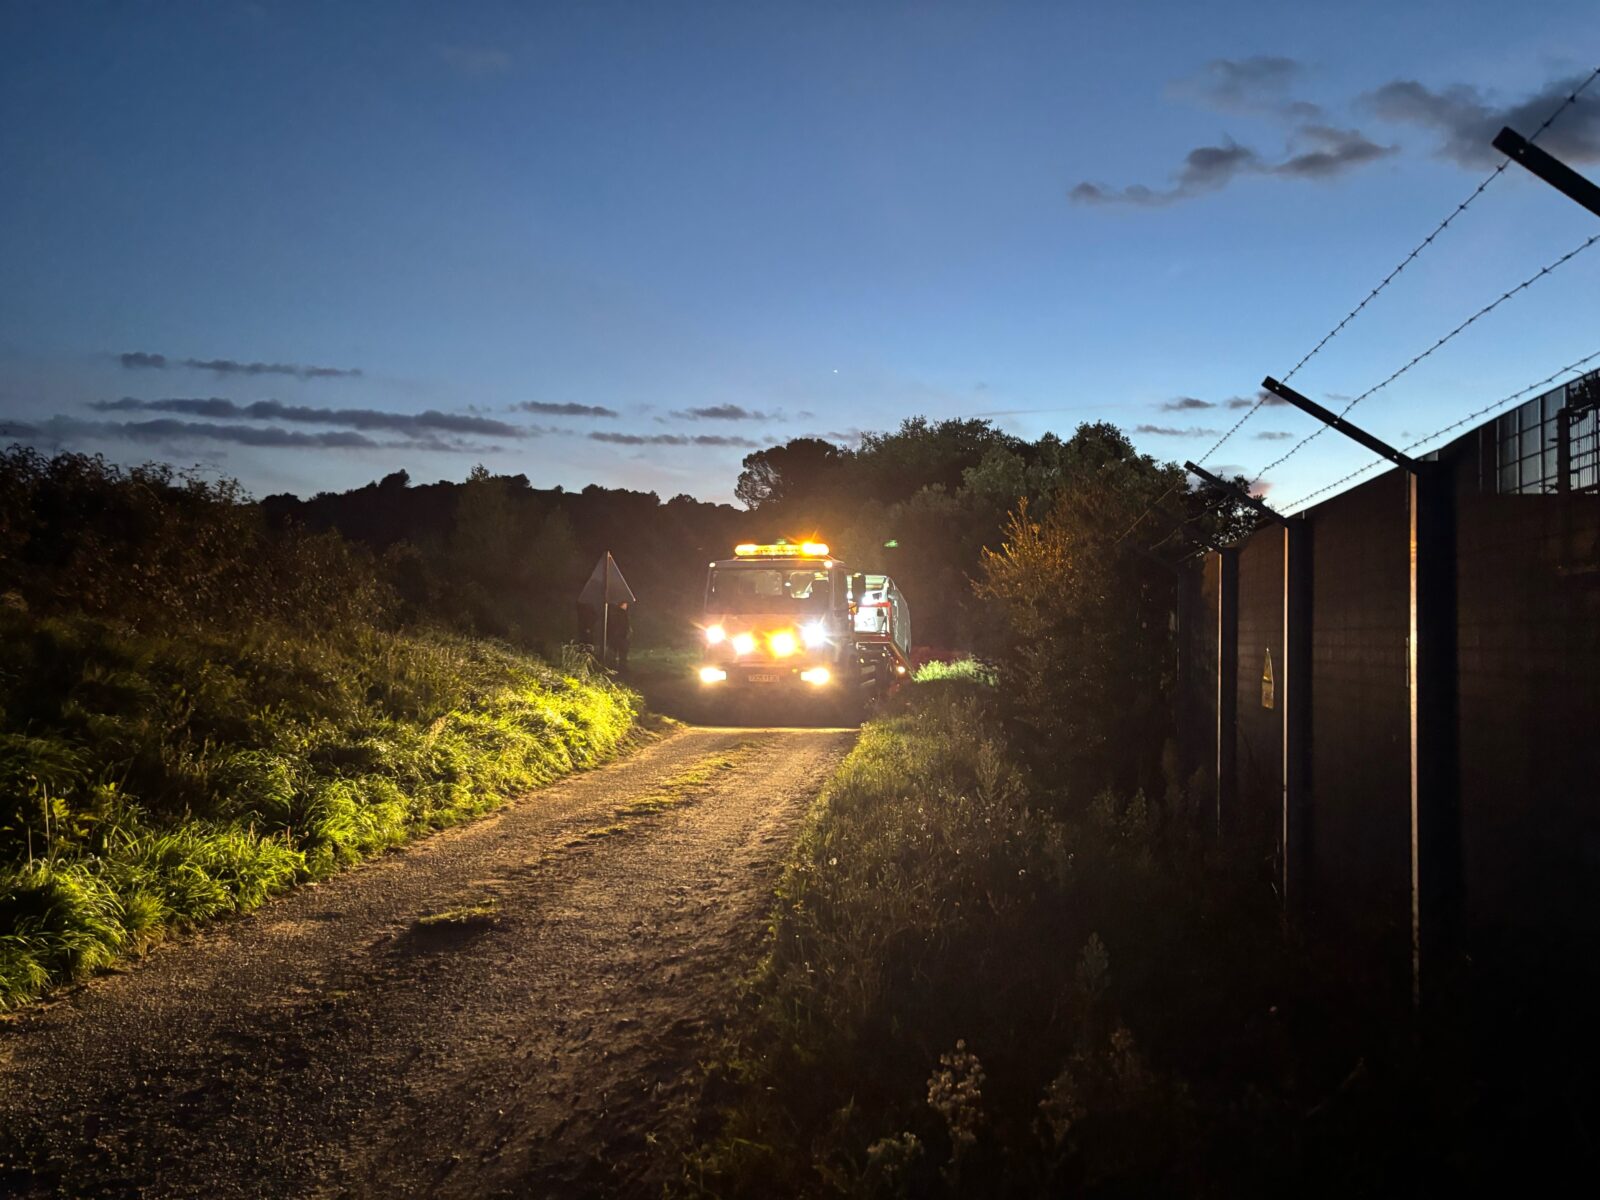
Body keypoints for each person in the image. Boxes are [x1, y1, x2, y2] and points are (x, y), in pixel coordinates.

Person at [610, 601, 630, 672]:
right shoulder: (621, 613)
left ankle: (618, 659)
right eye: (625, 605)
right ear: (622, 605)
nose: (626, 606)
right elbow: (624, 623)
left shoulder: (619, 613)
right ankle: (622, 664)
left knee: (619, 647)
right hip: (621, 633)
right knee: (622, 647)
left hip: (619, 633)